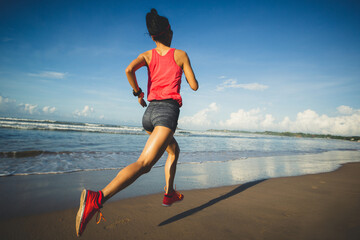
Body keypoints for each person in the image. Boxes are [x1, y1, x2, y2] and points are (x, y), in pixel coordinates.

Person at [76, 8, 198, 237]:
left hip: (149, 115)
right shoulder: (180, 54)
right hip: (166, 114)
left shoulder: (148, 55)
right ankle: (98, 197)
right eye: (171, 29)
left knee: (174, 150)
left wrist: (138, 93)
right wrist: (185, 70)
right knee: (144, 164)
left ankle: (169, 193)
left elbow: (128, 69)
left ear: (152, 36)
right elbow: (194, 85)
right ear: (169, 32)